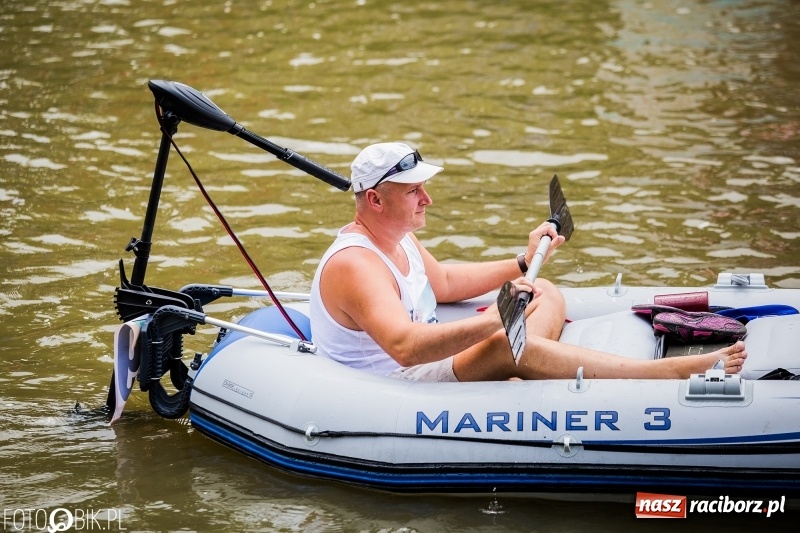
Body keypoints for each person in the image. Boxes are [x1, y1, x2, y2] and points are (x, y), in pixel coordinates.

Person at [309, 142, 747, 382]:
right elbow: (404, 349)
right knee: (504, 342)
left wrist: (522, 263)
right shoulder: (356, 264)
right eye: (413, 192)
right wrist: (497, 323)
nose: (428, 199)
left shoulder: (397, 237)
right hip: (393, 385)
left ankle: (524, 365)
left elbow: (442, 282)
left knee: (545, 291)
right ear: (374, 200)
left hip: (427, 354)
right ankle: (659, 373)